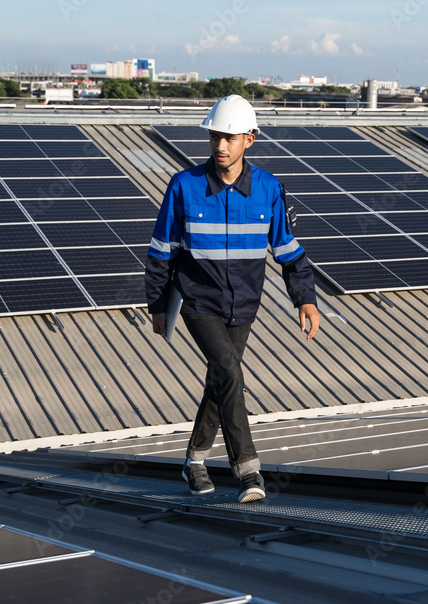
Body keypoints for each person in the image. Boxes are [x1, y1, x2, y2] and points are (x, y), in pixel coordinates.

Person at [145, 94, 320, 503]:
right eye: (214, 136)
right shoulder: (184, 186)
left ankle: (193, 462)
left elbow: (289, 252)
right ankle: (248, 471)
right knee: (230, 372)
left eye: (229, 137)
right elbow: (160, 251)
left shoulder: (268, 189)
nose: (220, 146)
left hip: (244, 306)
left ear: (249, 140)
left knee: (220, 379)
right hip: (197, 302)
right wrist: (157, 304)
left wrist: (305, 300)